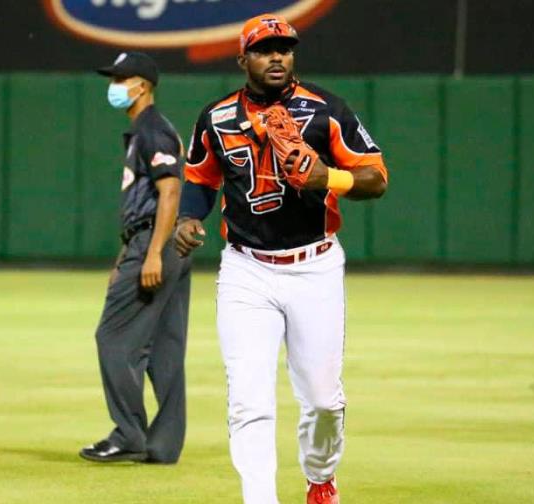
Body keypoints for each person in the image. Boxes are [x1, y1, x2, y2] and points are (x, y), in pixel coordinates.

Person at [174, 14, 388, 504]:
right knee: (250, 403)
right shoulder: (216, 116)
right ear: (243, 58)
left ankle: (320, 478)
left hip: (314, 267)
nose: (277, 57)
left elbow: (377, 178)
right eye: (265, 49)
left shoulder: (326, 110)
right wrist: (189, 219)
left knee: (323, 402)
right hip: (246, 270)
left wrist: (328, 179)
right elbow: (200, 178)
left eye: (285, 49)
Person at [80, 52, 191, 465]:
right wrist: (129, 254)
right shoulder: (149, 130)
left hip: (156, 243)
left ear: (142, 85)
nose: (114, 85)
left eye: (121, 78)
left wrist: (153, 253)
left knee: (112, 337)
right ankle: (162, 445)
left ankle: (128, 433)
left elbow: (170, 191)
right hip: (155, 243)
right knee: (164, 348)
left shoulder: (152, 130)